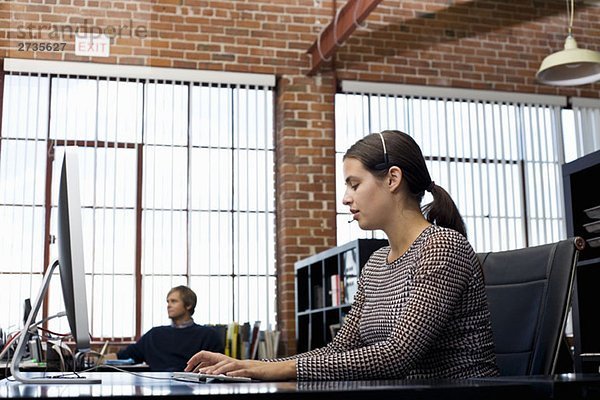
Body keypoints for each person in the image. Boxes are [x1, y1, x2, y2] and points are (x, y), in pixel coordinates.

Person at [185, 130, 499, 380]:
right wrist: (251, 365)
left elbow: (397, 355)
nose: (346, 198)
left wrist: (278, 369)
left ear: (392, 179)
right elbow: (340, 349)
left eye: (354, 184)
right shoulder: (377, 263)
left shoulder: (441, 246)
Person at [116, 285, 224, 371]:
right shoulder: (154, 335)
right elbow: (123, 356)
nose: (168, 305)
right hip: (157, 390)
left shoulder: (208, 335)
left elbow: (217, 367)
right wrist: (100, 358)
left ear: (189, 305)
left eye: (174, 301)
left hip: (195, 388)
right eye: (168, 301)